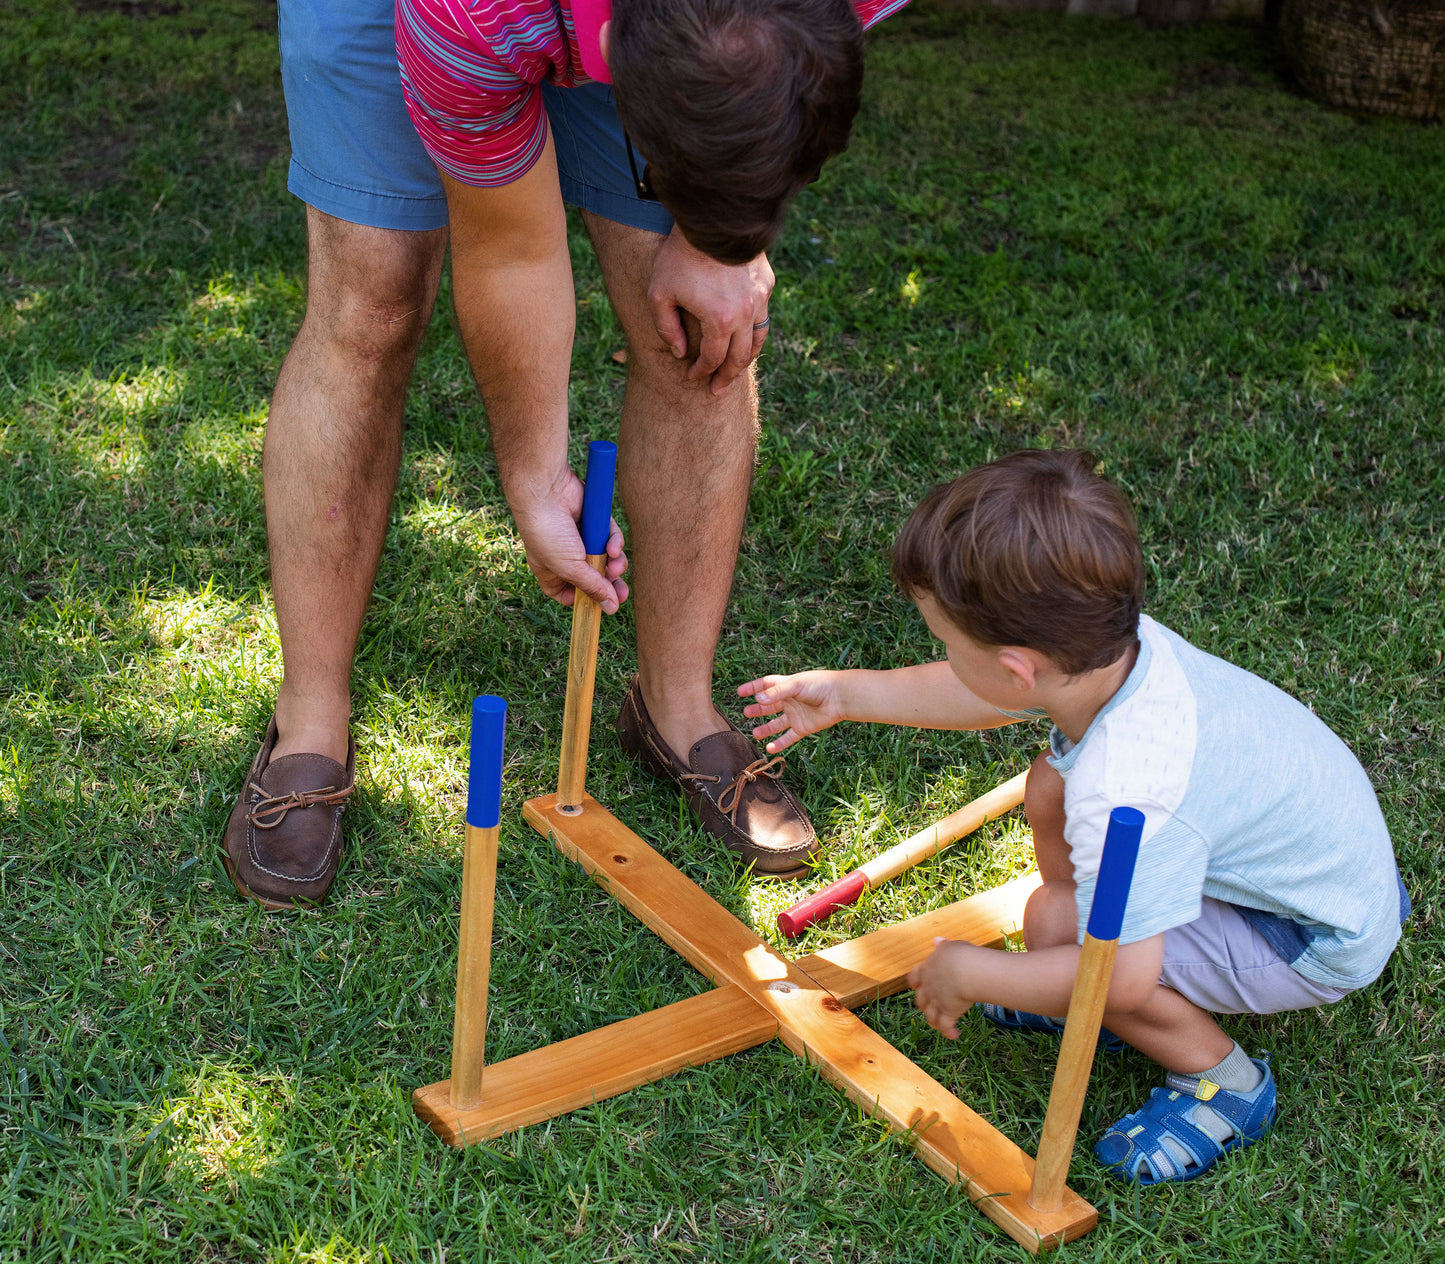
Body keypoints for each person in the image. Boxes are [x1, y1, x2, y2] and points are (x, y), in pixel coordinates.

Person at [223, 0, 908, 910]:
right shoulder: (472, 16)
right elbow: (510, 248)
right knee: (372, 299)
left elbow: (783, 105)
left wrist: (717, 242)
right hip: (454, 19)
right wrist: (535, 473)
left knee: (694, 327)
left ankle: (676, 708)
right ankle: (309, 718)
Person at [737, 449, 1410, 1185]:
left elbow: (1117, 977)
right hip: (1314, 876)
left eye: (946, 643)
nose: (944, 654)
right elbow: (988, 692)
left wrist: (978, 970)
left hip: (1311, 938)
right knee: (1048, 795)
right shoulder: (1116, 654)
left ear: (1018, 665)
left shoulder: (1128, 784)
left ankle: (1227, 1084)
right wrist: (845, 694)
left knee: (1067, 937)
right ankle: (1065, 987)